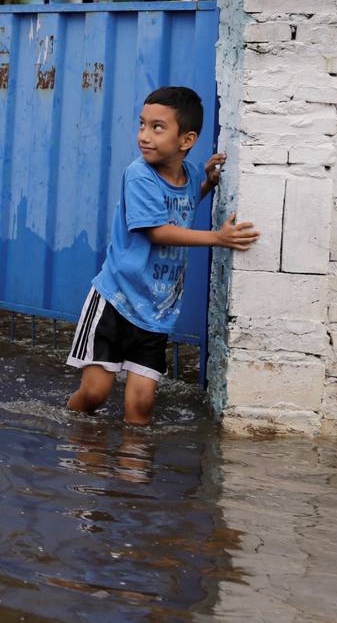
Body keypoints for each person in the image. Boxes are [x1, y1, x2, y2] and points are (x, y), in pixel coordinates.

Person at [66, 86, 259, 425]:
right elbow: (157, 231)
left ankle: (131, 470)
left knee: (140, 406)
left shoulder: (191, 176)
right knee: (95, 394)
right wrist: (218, 237)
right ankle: (75, 436)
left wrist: (208, 184)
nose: (144, 136)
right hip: (115, 300)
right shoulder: (139, 175)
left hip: (156, 310)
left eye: (157, 127)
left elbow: (180, 209)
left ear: (186, 140)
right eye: (142, 125)